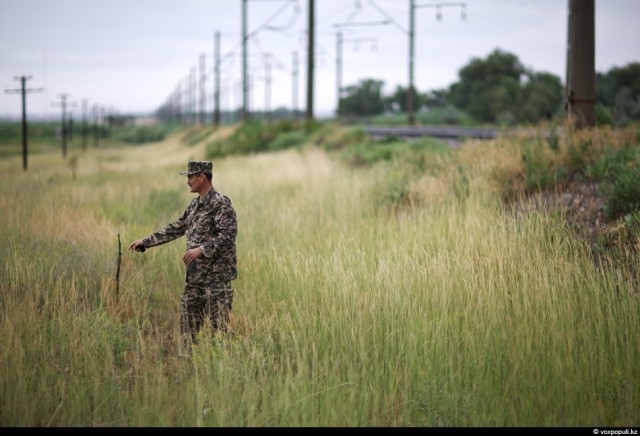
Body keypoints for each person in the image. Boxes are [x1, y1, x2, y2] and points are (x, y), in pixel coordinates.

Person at [128, 160, 238, 344]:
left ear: (201, 177)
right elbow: (176, 228)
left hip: (216, 282)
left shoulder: (220, 204)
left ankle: (218, 370)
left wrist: (202, 250)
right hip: (194, 281)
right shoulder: (194, 206)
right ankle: (190, 370)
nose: (187, 181)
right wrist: (145, 242)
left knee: (219, 336)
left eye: (190, 177)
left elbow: (228, 235)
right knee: (187, 335)